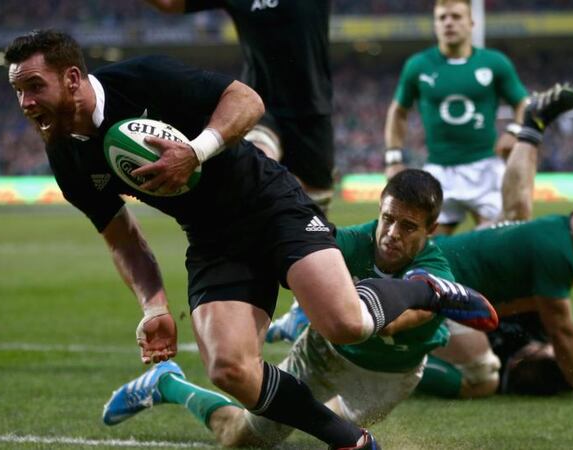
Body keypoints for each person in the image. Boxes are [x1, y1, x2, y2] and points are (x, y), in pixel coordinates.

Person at [5, 29, 496, 449]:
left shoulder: (144, 78)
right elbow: (124, 241)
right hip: (213, 240)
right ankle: (349, 440)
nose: (26, 104)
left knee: (345, 322)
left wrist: (194, 152)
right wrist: (153, 306)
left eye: (34, 87)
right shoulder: (67, 160)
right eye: (19, 93)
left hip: (270, 205)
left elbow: (248, 101)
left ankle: (427, 288)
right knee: (229, 368)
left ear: (72, 78)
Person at [103, 169, 471, 447]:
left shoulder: (435, 270)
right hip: (325, 353)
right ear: (380, 209)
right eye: (388, 219)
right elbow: (295, 257)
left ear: (431, 228)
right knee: (243, 439)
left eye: (408, 227)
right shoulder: (348, 242)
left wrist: (361, 309)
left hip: (389, 378)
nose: (392, 234)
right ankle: (169, 383)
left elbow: (401, 318)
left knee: (327, 437)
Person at [416, 138, 573, 400]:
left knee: (481, 378)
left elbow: (561, 329)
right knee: (539, 238)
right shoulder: (558, 340)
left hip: (440, 279)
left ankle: (396, 363)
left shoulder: (512, 360)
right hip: (442, 271)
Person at [145, 0, 337, 213]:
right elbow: (169, 3)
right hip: (258, 104)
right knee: (257, 167)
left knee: (317, 204)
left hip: (312, 109)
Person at [383, 0, 528, 235]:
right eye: (442, 18)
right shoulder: (418, 65)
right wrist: (393, 158)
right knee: (426, 249)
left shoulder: (495, 63)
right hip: (439, 171)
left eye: (456, 16)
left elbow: (523, 103)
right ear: (435, 25)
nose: (448, 22)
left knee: (499, 242)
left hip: (486, 168)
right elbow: (398, 111)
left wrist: (514, 131)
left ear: (471, 23)